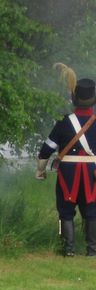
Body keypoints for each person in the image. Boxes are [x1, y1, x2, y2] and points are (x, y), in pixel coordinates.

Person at [36, 64, 96, 256]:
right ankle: (92, 250)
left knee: (65, 211)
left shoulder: (63, 122)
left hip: (68, 172)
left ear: (74, 99)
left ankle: (68, 248)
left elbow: (46, 149)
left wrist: (41, 170)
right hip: (92, 173)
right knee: (92, 211)